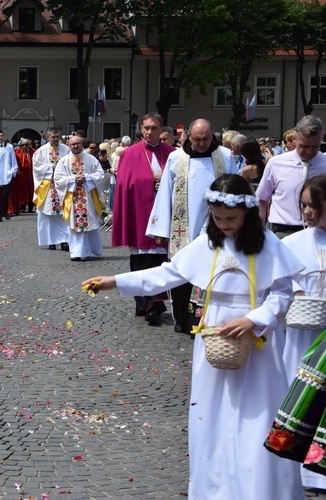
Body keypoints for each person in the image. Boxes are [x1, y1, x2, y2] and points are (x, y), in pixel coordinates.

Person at [82, 174, 305, 500]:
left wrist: (254, 320)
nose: (225, 224)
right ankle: (216, 489)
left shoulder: (269, 245)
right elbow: (168, 274)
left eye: (231, 218)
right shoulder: (207, 243)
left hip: (259, 343)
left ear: (247, 213)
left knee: (258, 414)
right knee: (212, 414)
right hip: (213, 335)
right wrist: (116, 280)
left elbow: (282, 296)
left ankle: (262, 489)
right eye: (217, 218)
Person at [147, 118, 236, 333]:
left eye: (206, 139)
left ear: (212, 135)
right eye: (197, 139)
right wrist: (160, 229)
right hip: (184, 228)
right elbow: (165, 192)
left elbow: (234, 189)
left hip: (217, 224)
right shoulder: (176, 158)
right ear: (188, 136)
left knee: (213, 273)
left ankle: (208, 320)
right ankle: (182, 319)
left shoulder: (224, 156)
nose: (202, 143)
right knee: (183, 271)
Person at [271, 174, 326, 491]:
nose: (306, 212)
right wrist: (297, 292)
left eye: (314, 206)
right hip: (300, 335)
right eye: (303, 205)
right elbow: (277, 281)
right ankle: (295, 466)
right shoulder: (290, 244)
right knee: (300, 394)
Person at [111, 113, 175, 326]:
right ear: (141, 129)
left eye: (154, 128)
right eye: (146, 128)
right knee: (141, 261)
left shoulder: (173, 154)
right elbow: (125, 185)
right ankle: (145, 305)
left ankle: (153, 304)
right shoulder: (130, 154)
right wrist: (151, 181)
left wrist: (164, 182)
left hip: (164, 216)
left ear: (161, 129)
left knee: (159, 263)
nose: (149, 132)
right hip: (140, 215)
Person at [257, 115, 326, 238]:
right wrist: (259, 232)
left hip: (320, 234)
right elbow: (261, 199)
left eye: (315, 146)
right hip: (284, 233)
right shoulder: (276, 164)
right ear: (294, 139)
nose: (310, 152)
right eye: (304, 146)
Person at [54, 135, 104, 261]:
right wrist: (73, 179)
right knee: (74, 225)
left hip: (89, 197)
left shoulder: (91, 159)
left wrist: (86, 178)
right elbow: (58, 179)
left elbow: (100, 175)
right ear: (69, 145)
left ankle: (91, 250)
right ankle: (76, 252)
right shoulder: (64, 161)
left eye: (77, 143)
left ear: (82, 144)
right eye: (72, 144)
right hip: (72, 197)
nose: (75, 146)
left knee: (91, 223)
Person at [32, 127, 70, 251]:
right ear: (48, 137)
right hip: (48, 187)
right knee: (48, 215)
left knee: (63, 215)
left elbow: (70, 164)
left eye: (57, 136)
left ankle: (64, 240)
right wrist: (50, 167)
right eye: (53, 137)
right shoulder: (41, 151)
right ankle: (51, 241)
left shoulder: (66, 150)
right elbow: (36, 167)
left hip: (62, 187)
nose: (55, 139)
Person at [0, 131, 18, 222]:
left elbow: (13, 159)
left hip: (6, 172)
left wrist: (12, 170)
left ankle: (5, 211)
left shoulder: (10, 147)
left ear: (4, 136)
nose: (0, 137)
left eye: (2, 136)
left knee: (5, 194)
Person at [15, 138, 35, 213]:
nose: (24, 146)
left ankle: (31, 206)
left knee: (31, 190)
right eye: (22, 145)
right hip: (22, 175)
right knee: (22, 191)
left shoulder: (34, 152)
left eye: (26, 145)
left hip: (31, 175)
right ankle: (22, 206)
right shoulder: (17, 153)